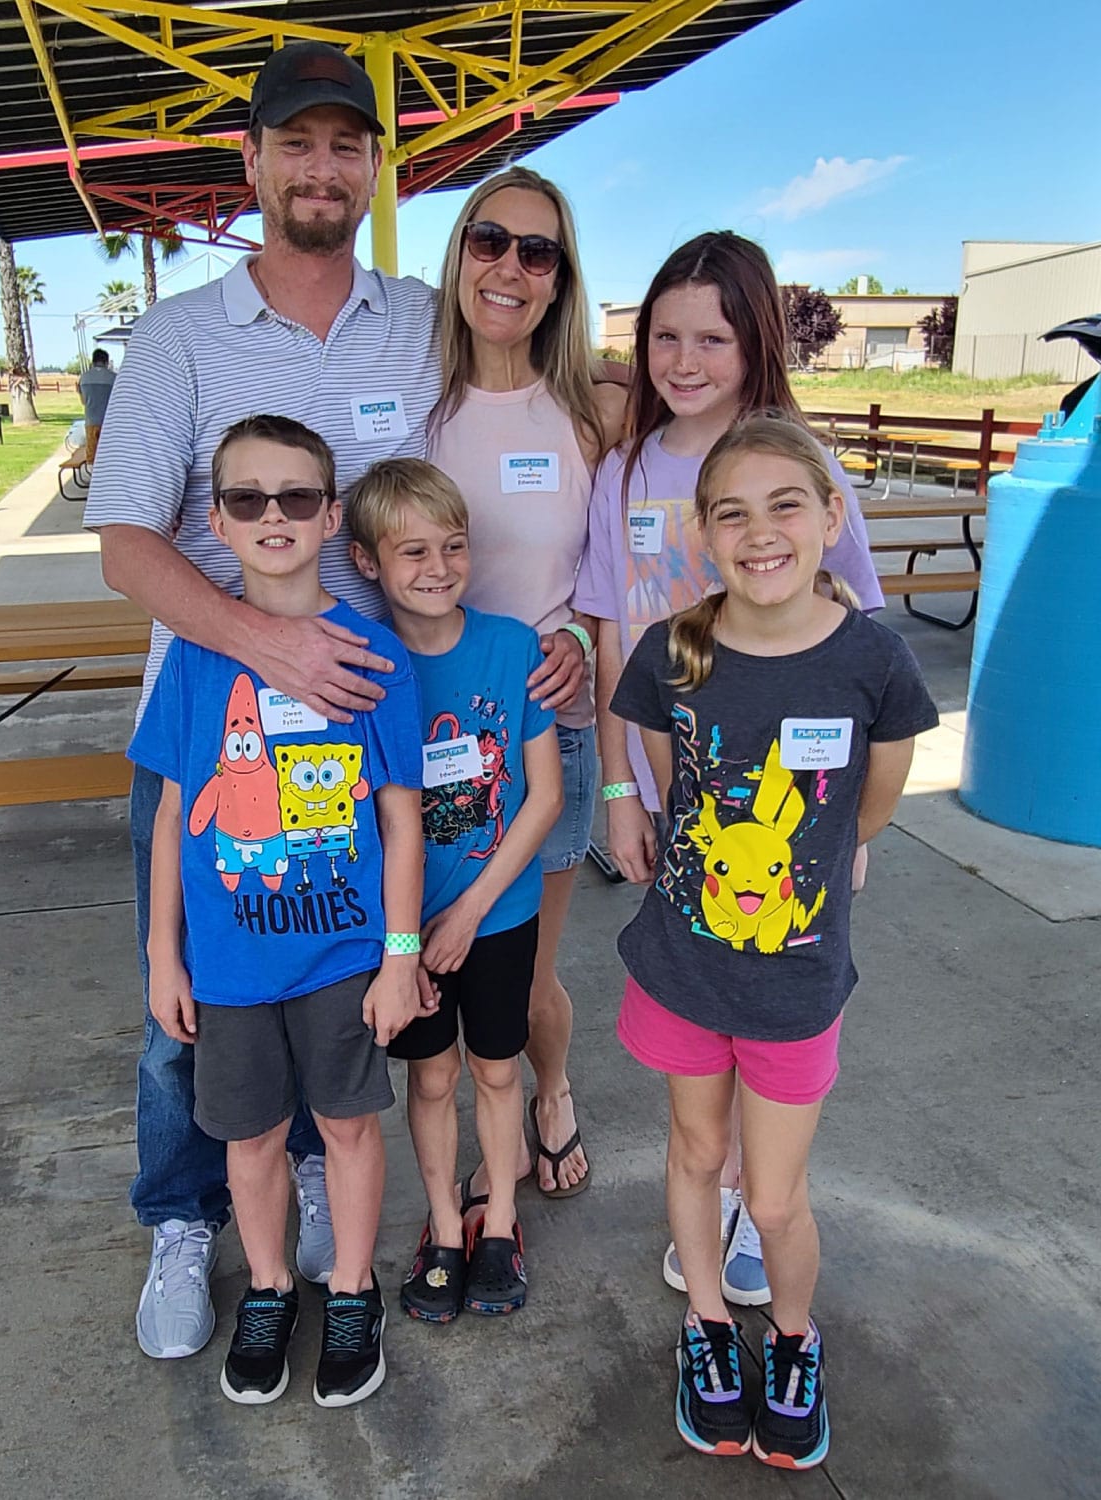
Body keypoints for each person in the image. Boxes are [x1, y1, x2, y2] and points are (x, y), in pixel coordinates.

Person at [83, 40, 441, 1361]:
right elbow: (127, 540)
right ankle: (181, 1219)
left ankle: (295, 1192)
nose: (324, 165)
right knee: (186, 1009)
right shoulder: (182, 335)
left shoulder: (413, 323)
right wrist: (264, 645)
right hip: (214, 723)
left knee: (336, 978)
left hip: (363, 726)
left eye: (348, 144)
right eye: (298, 142)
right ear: (253, 162)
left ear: (371, 168)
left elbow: (458, 496)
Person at [610, 413, 938, 1469]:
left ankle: (794, 1341)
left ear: (832, 518)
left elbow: (869, 813)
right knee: (697, 1154)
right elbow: (666, 776)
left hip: (796, 984)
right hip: (683, 968)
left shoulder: (874, 662)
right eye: (733, 512)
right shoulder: (671, 652)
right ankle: (707, 1325)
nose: (761, 532)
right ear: (703, 534)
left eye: (786, 504)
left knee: (778, 1191)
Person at [573, 231, 884, 1303]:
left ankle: (764, 1201)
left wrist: (853, 834)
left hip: (797, 810)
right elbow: (614, 635)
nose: (686, 356)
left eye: (712, 334)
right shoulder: (626, 470)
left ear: (755, 342)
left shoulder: (800, 461)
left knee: (779, 1006)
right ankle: (705, 1193)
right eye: (665, 335)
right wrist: (621, 790)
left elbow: (860, 641)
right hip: (675, 797)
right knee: (698, 1005)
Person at [130, 414, 425, 1407]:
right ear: (216, 518)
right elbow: (175, 816)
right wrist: (165, 960)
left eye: (297, 496)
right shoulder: (197, 659)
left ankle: (348, 1289)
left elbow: (400, 819)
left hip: (343, 957)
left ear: (331, 515)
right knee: (249, 1140)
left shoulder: (372, 655)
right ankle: (267, 1289)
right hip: (231, 965)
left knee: (346, 1126)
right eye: (248, 498)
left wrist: (398, 954)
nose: (274, 516)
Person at [428, 165, 625, 1203]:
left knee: (524, 966)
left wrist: (588, 654)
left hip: (545, 727)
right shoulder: (414, 400)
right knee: (443, 955)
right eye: (489, 240)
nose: (509, 266)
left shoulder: (593, 412)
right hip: (428, 730)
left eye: (536, 251)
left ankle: (549, 1096)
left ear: (560, 279)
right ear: (459, 253)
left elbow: (618, 578)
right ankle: (482, 1130)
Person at [346, 458, 563, 1321]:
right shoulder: (364, 665)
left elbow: (543, 795)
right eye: (412, 553)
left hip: (499, 913)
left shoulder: (509, 647)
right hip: (406, 928)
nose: (437, 567)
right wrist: (409, 936)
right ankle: (442, 1227)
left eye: (454, 546)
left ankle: (500, 1223)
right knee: (430, 1081)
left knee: (498, 1072)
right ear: (369, 562)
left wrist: (470, 911)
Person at [76, 349, 117, 462]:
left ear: (93, 361)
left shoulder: (83, 378)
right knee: (110, 456)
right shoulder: (114, 378)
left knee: (93, 458)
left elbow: (83, 401)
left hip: (91, 422)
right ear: (106, 362)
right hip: (109, 423)